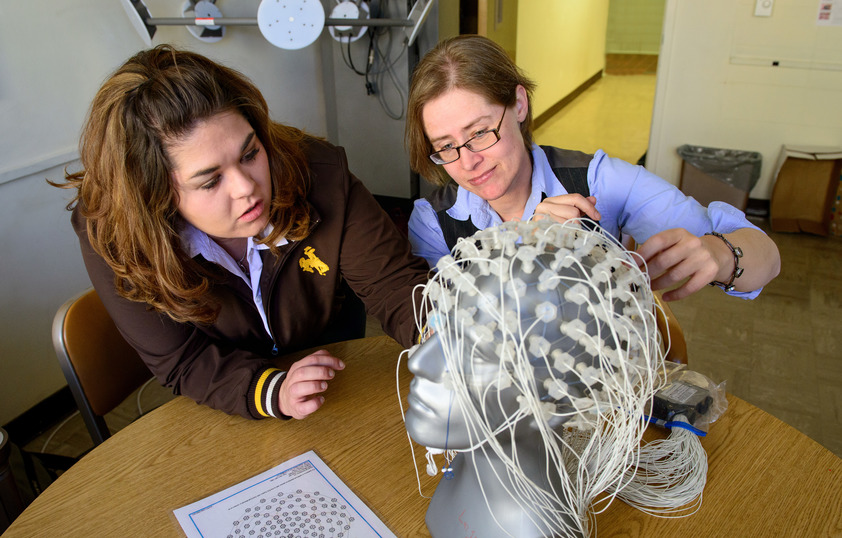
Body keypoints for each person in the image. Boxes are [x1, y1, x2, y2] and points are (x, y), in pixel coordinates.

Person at [53, 45, 430, 421]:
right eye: (211, 180)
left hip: (331, 365)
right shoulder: (115, 236)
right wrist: (269, 390)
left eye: (250, 154)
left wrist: (441, 333)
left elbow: (394, 285)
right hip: (229, 395)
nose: (246, 187)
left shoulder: (319, 174)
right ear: (153, 194)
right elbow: (184, 359)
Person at [405, 35, 780, 302]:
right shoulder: (433, 221)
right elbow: (443, 333)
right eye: (446, 146)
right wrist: (526, 254)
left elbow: (766, 256)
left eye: (481, 132)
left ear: (519, 104)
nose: (469, 162)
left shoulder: (600, 181)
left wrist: (722, 254)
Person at [404, 219, 664, 538]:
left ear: (559, 403)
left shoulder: (535, 528)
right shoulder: (468, 457)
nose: (418, 361)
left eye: (480, 354)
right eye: (445, 326)